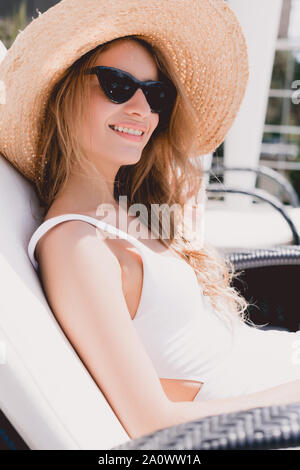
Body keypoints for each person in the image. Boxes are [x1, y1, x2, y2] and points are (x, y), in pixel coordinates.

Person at [1, 0, 300, 441]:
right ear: (61, 93)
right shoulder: (75, 245)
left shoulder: (120, 211)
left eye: (157, 94)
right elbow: (150, 424)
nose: (143, 108)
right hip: (272, 419)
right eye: (117, 85)